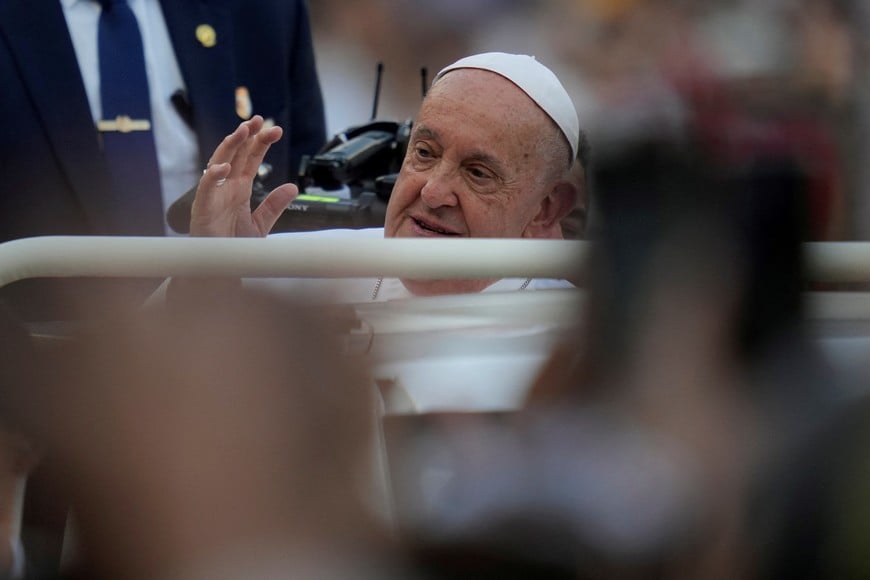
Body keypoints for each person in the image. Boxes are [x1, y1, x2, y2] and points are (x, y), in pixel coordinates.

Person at [0, 0, 326, 320]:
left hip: (229, 351)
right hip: (39, 359)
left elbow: (310, 193)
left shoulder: (264, 11)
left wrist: (220, 269)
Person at [186, 52, 582, 301]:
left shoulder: (574, 341)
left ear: (545, 209)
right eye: (425, 153)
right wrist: (214, 273)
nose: (433, 191)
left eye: (478, 173)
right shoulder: (302, 273)